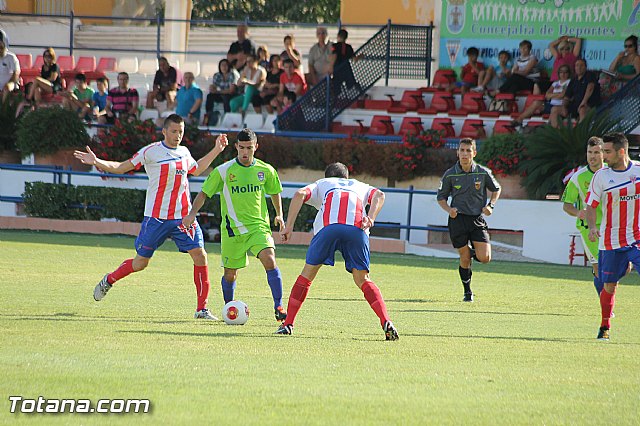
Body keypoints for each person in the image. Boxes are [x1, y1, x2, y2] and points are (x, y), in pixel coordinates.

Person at [73, 114, 229, 320]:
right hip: (156, 218)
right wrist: (97, 162)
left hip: (182, 217)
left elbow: (197, 169)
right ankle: (109, 280)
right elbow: (122, 166)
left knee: (200, 255)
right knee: (140, 263)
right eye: (174, 131)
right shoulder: (151, 152)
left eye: (181, 132)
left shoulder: (184, 152)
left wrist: (217, 149)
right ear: (164, 131)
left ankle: (202, 309)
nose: (177, 135)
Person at [275, 162, 399, 340]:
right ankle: (385, 320)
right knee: (362, 279)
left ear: (329, 177)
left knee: (307, 274)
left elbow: (299, 194)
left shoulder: (323, 183)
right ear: (346, 177)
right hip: (357, 229)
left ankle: (288, 324)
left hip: (329, 228)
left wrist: (289, 227)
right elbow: (380, 194)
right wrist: (370, 218)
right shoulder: (360, 185)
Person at [183, 128, 287, 321]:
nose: (245, 152)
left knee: (270, 259)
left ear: (256, 147)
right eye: (241, 147)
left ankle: (279, 306)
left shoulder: (266, 170)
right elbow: (204, 193)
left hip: (258, 227)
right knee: (230, 275)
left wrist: (279, 215)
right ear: (236, 147)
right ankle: (228, 308)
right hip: (232, 231)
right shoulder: (223, 171)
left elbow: (274, 192)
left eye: (249, 148)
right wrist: (191, 214)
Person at [586, 132, 640, 341]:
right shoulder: (601, 176)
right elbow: (591, 205)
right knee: (609, 285)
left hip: (636, 238)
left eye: (607, 152)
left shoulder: (638, 170)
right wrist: (592, 227)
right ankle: (604, 326)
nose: (603, 156)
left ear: (621, 151)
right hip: (610, 240)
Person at [437, 138, 501, 302]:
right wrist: (449, 210)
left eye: (468, 150)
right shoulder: (450, 174)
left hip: (477, 220)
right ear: (457, 152)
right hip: (457, 220)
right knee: (464, 258)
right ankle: (467, 292)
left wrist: (491, 206)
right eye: (462, 150)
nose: (465, 154)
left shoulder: (482, 172)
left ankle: (472, 253)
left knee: (485, 258)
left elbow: (496, 189)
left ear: (474, 153)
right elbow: (441, 198)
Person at [561, 137, 606, 296]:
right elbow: (566, 205)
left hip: (612, 227)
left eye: (596, 152)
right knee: (599, 268)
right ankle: (606, 306)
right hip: (589, 230)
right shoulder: (577, 177)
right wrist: (578, 213)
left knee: (623, 268)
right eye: (589, 152)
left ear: (603, 153)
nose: (592, 156)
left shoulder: (612, 172)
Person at [512, 64, 571, 128]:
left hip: (560, 107)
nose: (563, 74)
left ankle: (549, 127)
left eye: (565, 72)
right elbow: (547, 95)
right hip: (551, 104)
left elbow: (563, 95)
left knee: (554, 108)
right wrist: (557, 95)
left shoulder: (570, 82)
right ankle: (519, 120)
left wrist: (552, 95)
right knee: (536, 103)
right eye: (561, 72)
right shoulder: (555, 83)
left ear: (569, 73)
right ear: (559, 73)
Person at [563, 58, 601, 124]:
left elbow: (590, 88)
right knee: (555, 110)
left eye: (581, 65)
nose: (579, 67)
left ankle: (581, 133)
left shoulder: (590, 75)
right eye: (577, 65)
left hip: (590, 104)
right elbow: (567, 96)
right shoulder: (573, 80)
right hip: (576, 105)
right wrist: (564, 106)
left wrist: (583, 102)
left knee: (582, 110)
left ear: (585, 67)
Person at [205, 58, 239, 125]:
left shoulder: (233, 74)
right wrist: (212, 88)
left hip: (232, 95)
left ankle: (227, 116)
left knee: (226, 97)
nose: (224, 67)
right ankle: (208, 115)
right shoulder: (217, 75)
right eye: (222, 65)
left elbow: (231, 90)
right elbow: (213, 88)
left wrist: (217, 91)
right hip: (221, 93)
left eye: (225, 65)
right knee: (210, 96)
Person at [0, 29, 20, 101]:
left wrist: (9, 82)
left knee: (7, 88)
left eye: (1, 47)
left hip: (11, 83)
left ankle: (3, 109)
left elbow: (16, 73)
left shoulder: (11, 57)